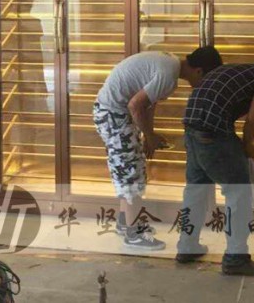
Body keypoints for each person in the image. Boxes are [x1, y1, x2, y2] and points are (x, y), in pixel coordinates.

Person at [93, 47, 223, 251]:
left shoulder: (170, 66)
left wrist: (149, 135)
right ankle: (133, 234)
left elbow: (148, 104)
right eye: (205, 80)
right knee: (130, 172)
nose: (203, 85)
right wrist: (149, 136)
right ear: (199, 71)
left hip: (116, 114)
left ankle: (125, 222)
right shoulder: (168, 74)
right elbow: (135, 105)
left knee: (132, 167)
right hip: (113, 115)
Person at [176, 55, 254, 276]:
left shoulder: (230, 71)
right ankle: (236, 258)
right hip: (214, 134)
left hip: (191, 130)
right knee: (239, 193)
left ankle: (187, 247)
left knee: (195, 190)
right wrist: (247, 144)